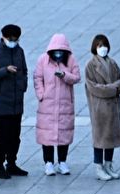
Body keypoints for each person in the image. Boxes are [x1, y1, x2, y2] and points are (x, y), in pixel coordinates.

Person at [34, 34, 81, 176]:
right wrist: (41, 94)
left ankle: (62, 162)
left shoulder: (71, 60)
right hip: (47, 104)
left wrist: (65, 75)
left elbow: (77, 77)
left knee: (63, 134)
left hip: (64, 104)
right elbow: (38, 78)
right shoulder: (43, 60)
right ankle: (48, 162)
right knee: (46, 135)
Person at [0, 24, 29, 179]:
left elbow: (24, 70)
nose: (13, 42)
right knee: (2, 136)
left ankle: (11, 163)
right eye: (11, 39)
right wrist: (5, 70)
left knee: (15, 136)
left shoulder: (19, 51)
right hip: (1, 103)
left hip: (17, 102)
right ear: (4, 37)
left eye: (16, 39)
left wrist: (23, 85)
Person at [84, 34, 120, 181]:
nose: (103, 48)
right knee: (100, 137)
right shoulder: (90, 65)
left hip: (113, 107)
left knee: (111, 137)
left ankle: (109, 164)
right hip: (99, 107)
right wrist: (112, 89)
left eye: (105, 45)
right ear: (95, 47)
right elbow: (92, 86)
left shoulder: (113, 63)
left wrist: (114, 87)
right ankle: (99, 166)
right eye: (100, 45)